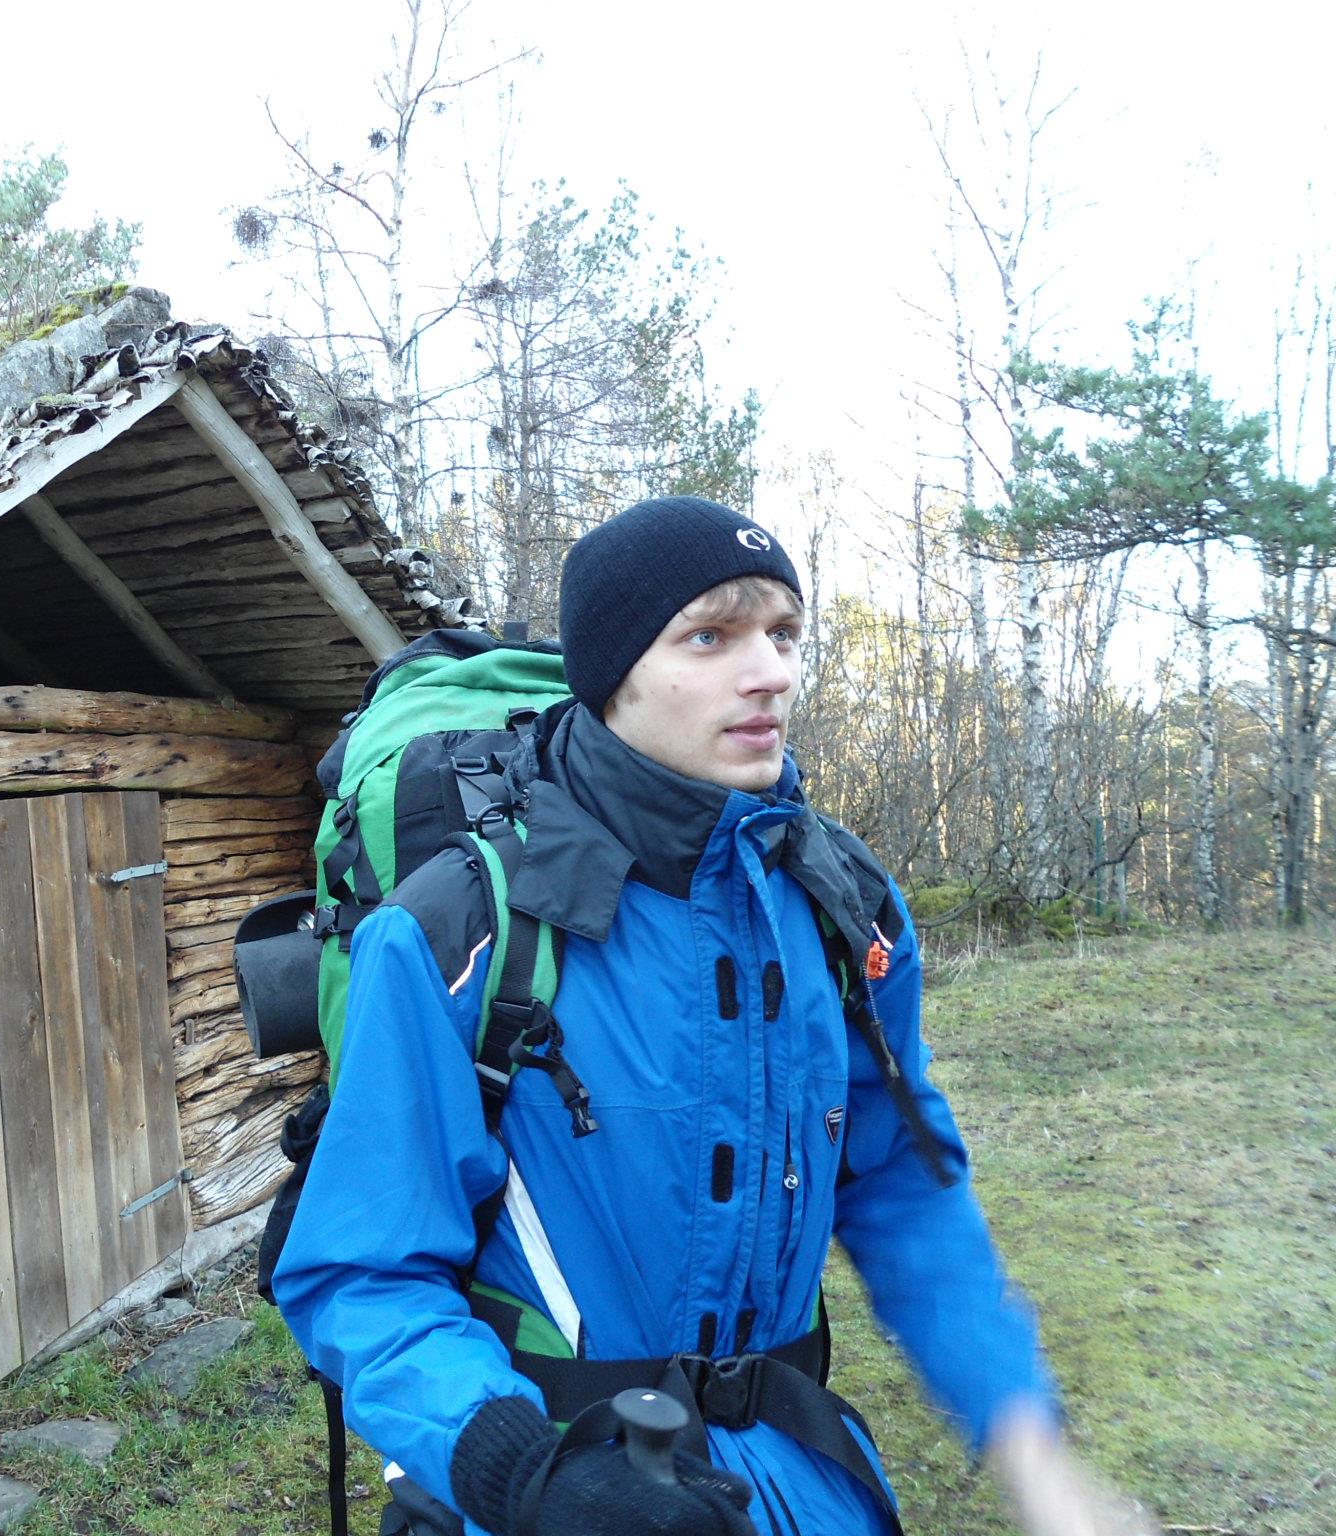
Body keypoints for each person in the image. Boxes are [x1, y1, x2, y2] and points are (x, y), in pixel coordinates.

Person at [271, 497, 1154, 1536]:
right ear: (611, 674)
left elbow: (902, 1191)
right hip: (547, 1490)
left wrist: (1024, 1440)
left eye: (783, 632)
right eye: (710, 635)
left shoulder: (842, 905)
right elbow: (361, 1272)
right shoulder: (461, 927)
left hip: (796, 1485)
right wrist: (527, 1475)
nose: (771, 671)